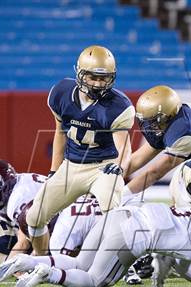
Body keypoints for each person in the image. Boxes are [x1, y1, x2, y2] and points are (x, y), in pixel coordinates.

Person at [0, 203, 191, 287]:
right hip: (134, 233)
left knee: (80, 262)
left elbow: (179, 265)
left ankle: (26, 262)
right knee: (93, 281)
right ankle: (47, 274)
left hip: (120, 215)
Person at [26, 45, 135, 255]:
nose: (98, 83)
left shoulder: (119, 106)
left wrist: (118, 168)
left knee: (114, 215)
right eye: (93, 77)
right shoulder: (61, 93)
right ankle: (40, 258)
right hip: (72, 165)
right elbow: (60, 132)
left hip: (103, 167)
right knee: (35, 216)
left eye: (104, 78)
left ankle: (126, 264)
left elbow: (124, 148)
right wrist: (53, 170)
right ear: (80, 73)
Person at [122, 85, 191, 199]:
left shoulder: (181, 130)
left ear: (169, 116)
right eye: (145, 122)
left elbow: (155, 173)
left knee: (183, 184)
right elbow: (138, 159)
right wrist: (108, 180)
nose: (150, 128)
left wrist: (121, 194)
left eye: (155, 122)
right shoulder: (172, 120)